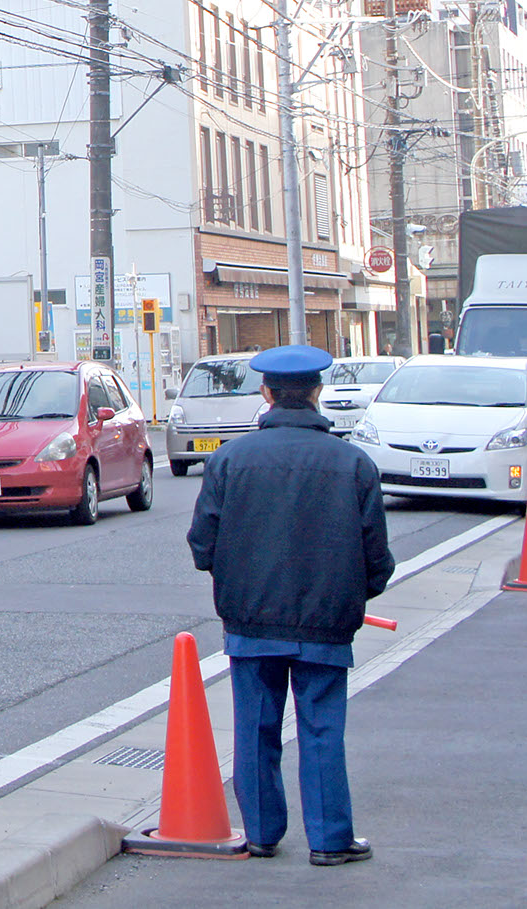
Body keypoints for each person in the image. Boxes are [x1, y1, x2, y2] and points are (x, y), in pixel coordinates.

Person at [188, 342, 392, 866]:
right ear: (318, 392)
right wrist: (349, 595)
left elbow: (203, 545)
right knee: (322, 730)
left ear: (267, 393)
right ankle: (329, 839)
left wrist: (237, 582)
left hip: (251, 619)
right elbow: (377, 559)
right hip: (326, 622)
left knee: (255, 729)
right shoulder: (353, 463)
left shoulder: (230, 459)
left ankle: (261, 833)